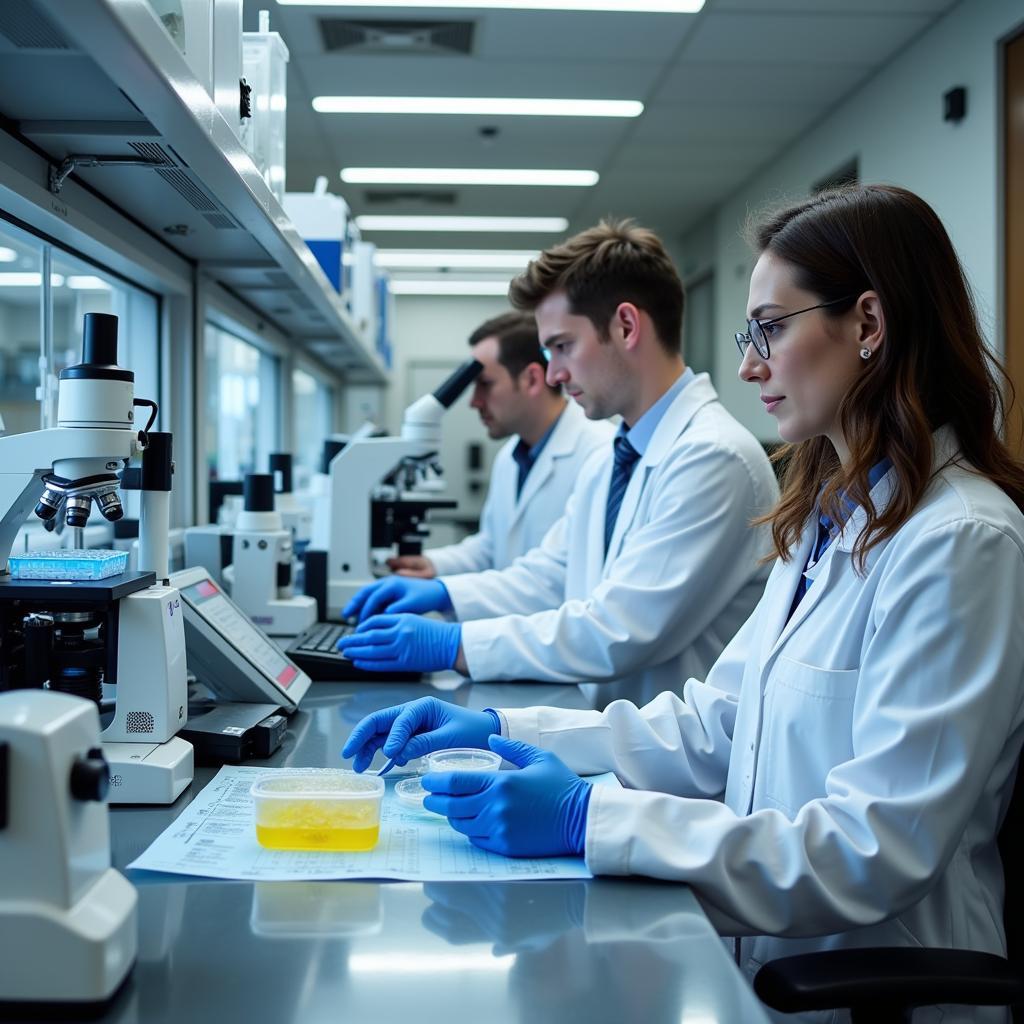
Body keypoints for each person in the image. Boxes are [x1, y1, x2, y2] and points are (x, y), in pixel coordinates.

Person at [342, 185, 1024, 1019]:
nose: (748, 364)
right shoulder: (828, 520)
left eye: (769, 328)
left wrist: (594, 816)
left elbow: (874, 850)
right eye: (750, 334)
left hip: (876, 986)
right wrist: (508, 731)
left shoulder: (960, 541)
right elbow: (718, 723)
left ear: (870, 326)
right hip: (761, 951)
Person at [338, 220, 779, 708]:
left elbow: (618, 630)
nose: (553, 373)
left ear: (626, 327)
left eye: (563, 346)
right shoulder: (618, 454)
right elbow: (548, 576)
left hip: (678, 771)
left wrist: (453, 644)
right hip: (610, 739)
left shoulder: (713, 458)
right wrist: (444, 592)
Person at [387, 311, 612, 579]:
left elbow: (565, 577)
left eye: (485, 384)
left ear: (531, 379)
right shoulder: (510, 456)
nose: (474, 401)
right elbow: (492, 546)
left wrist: (445, 594)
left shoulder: (599, 452)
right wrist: (432, 565)